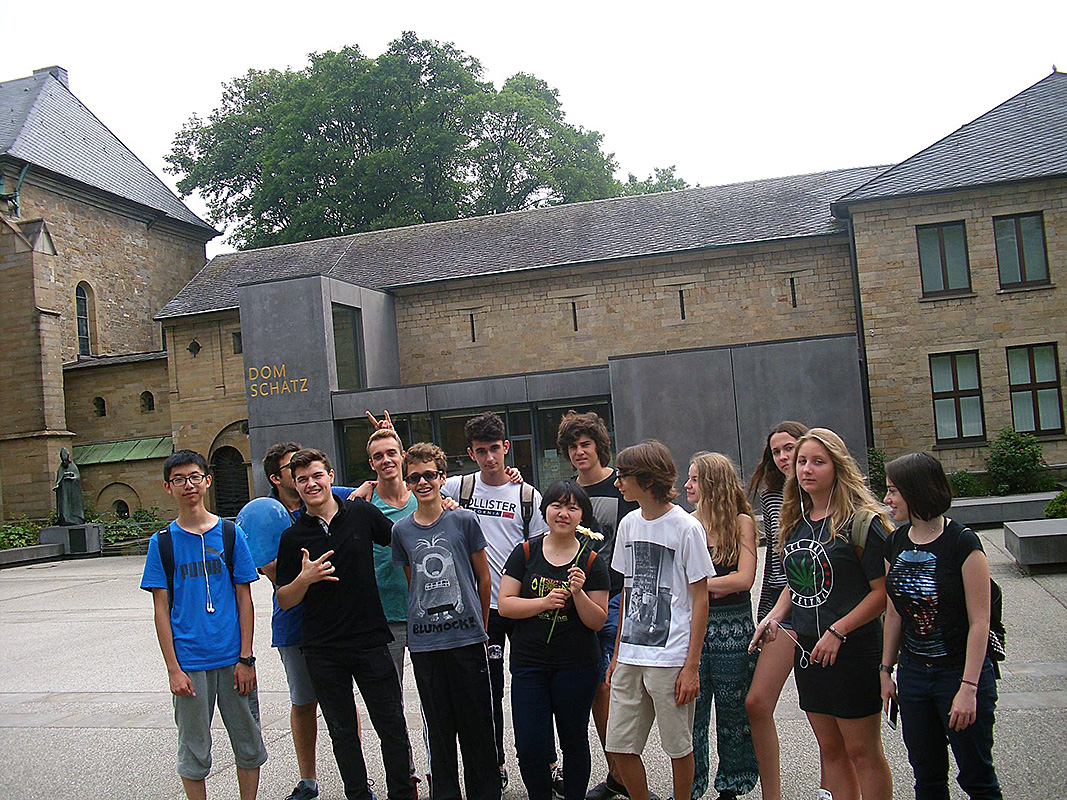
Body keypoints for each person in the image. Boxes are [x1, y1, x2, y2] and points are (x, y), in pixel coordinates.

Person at [750, 428, 893, 800]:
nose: (806, 469)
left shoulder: (861, 522)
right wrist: (774, 616)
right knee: (831, 750)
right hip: (809, 653)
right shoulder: (795, 521)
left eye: (818, 461)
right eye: (802, 462)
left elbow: (882, 594)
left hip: (853, 650)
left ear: (837, 466)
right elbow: (799, 581)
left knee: (862, 751)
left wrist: (838, 630)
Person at [275, 448, 414, 800]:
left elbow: (403, 539)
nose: (311, 484)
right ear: (295, 484)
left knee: (392, 727)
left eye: (316, 476)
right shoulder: (293, 537)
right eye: (302, 479)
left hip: (370, 639)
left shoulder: (361, 514)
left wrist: (441, 506)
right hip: (323, 649)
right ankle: (358, 794)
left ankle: (401, 793)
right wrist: (304, 579)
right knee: (342, 733)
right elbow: (285, 599)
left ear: (331, 476)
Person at [140, 450, 267, 800]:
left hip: (232, 660)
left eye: (195, 477)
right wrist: (173, 669)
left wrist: (246, 658)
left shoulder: (230, 534)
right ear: (168, 487)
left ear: (207, 481)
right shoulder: (162, 542)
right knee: (193, 751)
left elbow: (245, 599)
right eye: (179, 479)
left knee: (248, 743)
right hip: (189, 664)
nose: (188, 485)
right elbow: (160, 609)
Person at [880, 452, 1002, 799]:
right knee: (927, 778)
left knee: (977, 778)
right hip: (914, 675)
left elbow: (980, 621)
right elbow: (894, 612)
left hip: (959, 673)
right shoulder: (895, 542)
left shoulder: (963, 543)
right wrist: (885, 671)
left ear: (916, 491)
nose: (887, 500)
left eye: (893, 491)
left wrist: (968, 688)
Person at [442, 411, 550, 789]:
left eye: (494, 449)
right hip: (477, 608)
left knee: (534, 686)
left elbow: (540, 552)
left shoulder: (526, 495)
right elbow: (411, 485)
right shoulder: (456, 488)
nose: (489, 458)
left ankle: (546, 761)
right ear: (471, 453)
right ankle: (495, 763)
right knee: (487, 691)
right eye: (481, 451)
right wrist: (365, 487)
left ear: (506, 447)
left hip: (519, 605)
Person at [391, 442, 501, 800]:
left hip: (467, 639)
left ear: (442, 477)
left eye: (429, 475)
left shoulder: (464, 520)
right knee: (439, 732)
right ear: (408, 482)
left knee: (477, 729)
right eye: (414, 477)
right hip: (426, 644)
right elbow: (414, 583)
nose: (422, 482)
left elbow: (483, 578)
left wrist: (481, 626)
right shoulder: (401, 531)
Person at [606, 440, 714, 800]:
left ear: (647, 479)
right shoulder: (628, 524)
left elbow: (700, 599)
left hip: (671, 657)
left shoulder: (686, 527)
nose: (617, 483)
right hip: (630, 655)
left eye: (623, 476)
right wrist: (617, 653)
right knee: (619, 745)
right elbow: (627, 592)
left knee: (678, 746)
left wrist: (691, 666)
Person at [743, 421, 842, 800]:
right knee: (757, 702)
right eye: (777, 452)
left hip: (819, 605)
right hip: (778, 603)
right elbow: (777, 560)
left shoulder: (827, 499)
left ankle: (829, 790)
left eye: (790, 449)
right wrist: (769, 611)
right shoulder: (774, 497)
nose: (784, 458)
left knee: (826, 713)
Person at [260, 441, 360, 800]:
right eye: (294, 470)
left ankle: (357, 777)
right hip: (294, 625)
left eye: (311, 471)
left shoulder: (330, 494)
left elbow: (371, 490)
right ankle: (308, 780)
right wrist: (301, 572)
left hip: (338, 621)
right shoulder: (265, 515)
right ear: (277, 478)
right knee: (303, 702)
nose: (305, 476)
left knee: (343, 701)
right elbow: (273, 573)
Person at [499, 479, 611, 800]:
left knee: (573, 740)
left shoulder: (591, 561)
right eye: (557, 506)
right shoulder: (525, 552)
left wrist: (578, 593)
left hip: (576, 664)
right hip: (530, 663)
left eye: (572, 508)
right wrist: (544, 603)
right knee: (530, 744)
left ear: (582, 516)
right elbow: (506, 604)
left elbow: (597, 621)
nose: (563, 513)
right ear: (545, 510)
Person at [555, 411, 639, 800]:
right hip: (579, 599)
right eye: (572, 446)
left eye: (585, 444)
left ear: (599, 446)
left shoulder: (621, 485)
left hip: (619, 595)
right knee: (596, 688)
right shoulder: (567, 493)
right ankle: (618, 774)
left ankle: (625, 774)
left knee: (614, 685)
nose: (579, 452)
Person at [685, 453, 759, 800]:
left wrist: (699, 584)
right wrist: (717, 584)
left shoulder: (741, 522)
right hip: (695, 629)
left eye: (695, 479)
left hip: (735, 629)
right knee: (692, 714)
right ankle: (690, 785)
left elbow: (744, 579)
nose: (687, 485)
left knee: (734, 712)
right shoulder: (688, 524)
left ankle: (733, 783)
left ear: (713, 484)